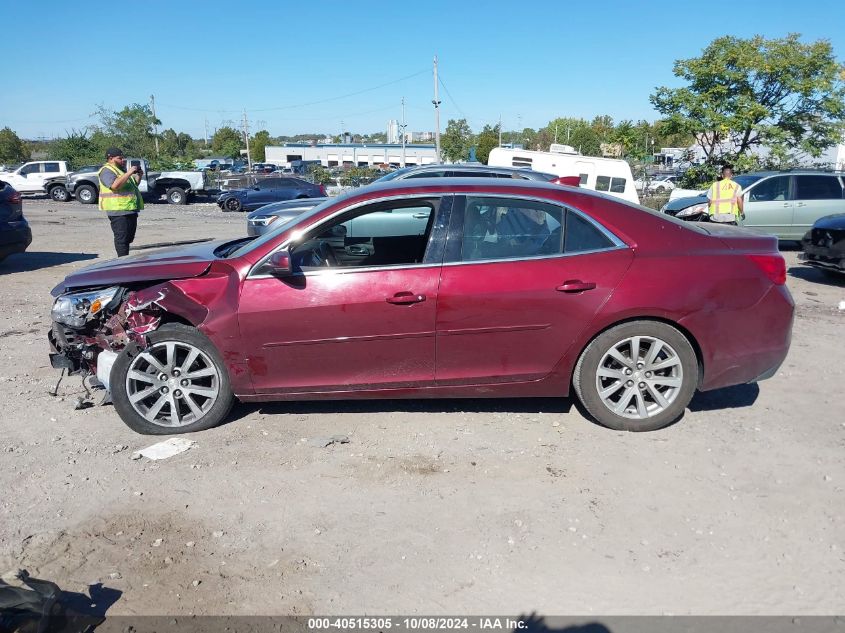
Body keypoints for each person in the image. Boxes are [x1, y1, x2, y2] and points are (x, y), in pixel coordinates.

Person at [98, 147, 144, 256]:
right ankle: (122, 262)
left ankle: (125, 259)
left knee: (129, 238)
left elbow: (133, 185)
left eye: (123, 158)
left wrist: (139, 175)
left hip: (130, 209)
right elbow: (114, 186)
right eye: (120, 158)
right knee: (121, 239)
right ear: (110, 158)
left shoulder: (121, 170)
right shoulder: (106, 170)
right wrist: (129, 173)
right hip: (117, 211)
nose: (122, 160)